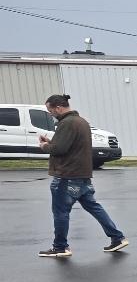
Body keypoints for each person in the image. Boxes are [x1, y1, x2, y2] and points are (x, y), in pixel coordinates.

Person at [37, 94, 127, 258]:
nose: (50, 114)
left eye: (50, 110)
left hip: (66, 175)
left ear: (58, 108)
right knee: (94, 207)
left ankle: (60, 247)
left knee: (60, 212)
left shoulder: (66, 123)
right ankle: (117, 237)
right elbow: (71, 146)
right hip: (82, 174)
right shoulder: (82, 122)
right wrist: (51, 142)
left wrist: (44, 146)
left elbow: (60, 149)